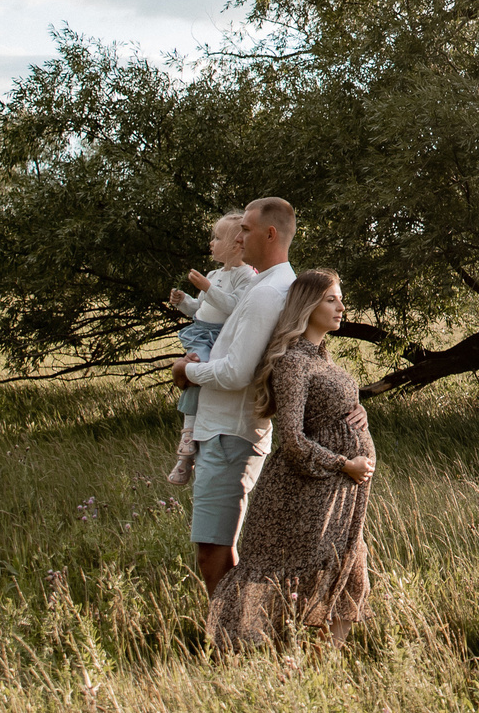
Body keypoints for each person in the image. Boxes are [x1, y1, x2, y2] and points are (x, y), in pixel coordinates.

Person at [206, 268, 375, 650]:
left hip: (342, 491)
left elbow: (331, 411)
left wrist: (359, 413)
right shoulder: (292, 362)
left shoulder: (323, 359)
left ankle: (329, 660)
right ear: (307, 304)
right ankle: (256, 651)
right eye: (331, 299)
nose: (341, 307)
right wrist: (343, 464)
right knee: (299, 567)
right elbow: (294, 440)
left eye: (340, 298)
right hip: (306, 488)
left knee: (349, 564)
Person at [173, 196, 297, 600]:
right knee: (215, 547)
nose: (239, 238)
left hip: (230, 434)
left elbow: (236, 372)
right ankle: (237, 637)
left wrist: (186, 371)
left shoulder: (267, 292)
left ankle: (232, 642)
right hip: (224, 430)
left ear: (270, 233)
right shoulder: (264, 285)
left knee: (213, 550)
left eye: (245, 229)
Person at [163, 210, 252, 485]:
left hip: (218, 338)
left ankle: (188, 443)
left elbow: (233, 308)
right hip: (200, 333)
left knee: (194, 372)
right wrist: (183, 300)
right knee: (191, 373)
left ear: (237, 243)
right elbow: (200, 308)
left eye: (216, 237)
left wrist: (207, 286)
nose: (211, 243)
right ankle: (187, 440)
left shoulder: (245, 275)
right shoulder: (214, 272)